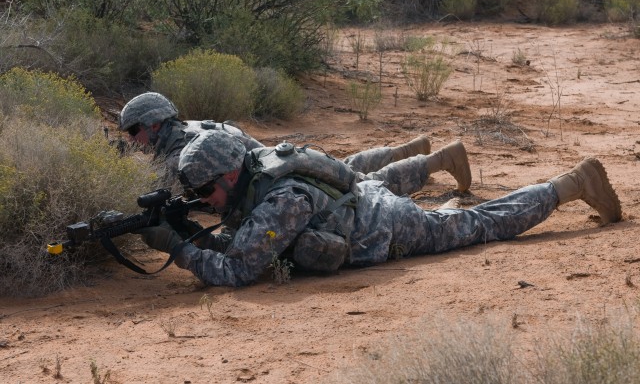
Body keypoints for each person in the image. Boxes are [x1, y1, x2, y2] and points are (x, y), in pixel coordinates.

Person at [135, 130, 623, 287]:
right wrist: (192, 230)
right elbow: (246, 243)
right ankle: (441, 176)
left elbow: (239, 270)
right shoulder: (258, 168)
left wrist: (178, 248)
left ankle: (570, 186)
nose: (204, 204)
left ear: (228, 176)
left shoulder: (279, 199)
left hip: (387, 229)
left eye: (205, 194)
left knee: (479, 225)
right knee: (444, 213)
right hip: (364, 203)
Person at [118, 92, 470, 194]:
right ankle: (408, 149)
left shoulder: (179, 154)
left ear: (154, 124)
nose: (133, 141)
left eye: (134, 132)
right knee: (345, 167)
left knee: (364, 188)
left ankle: (442, 159)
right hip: (282, 160)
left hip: (279, 177)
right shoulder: (192, 126)